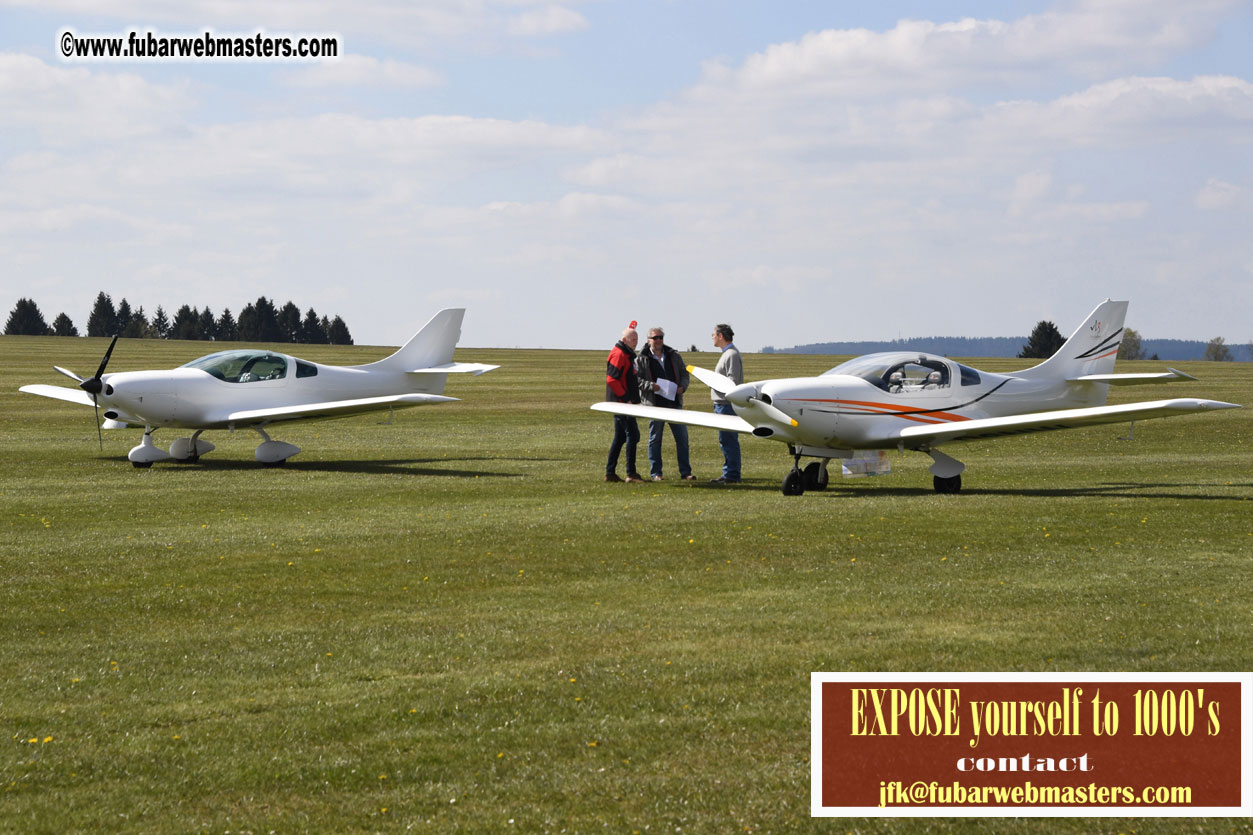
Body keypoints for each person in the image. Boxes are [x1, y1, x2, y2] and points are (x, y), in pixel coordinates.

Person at [635, 327, 694, 481]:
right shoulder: (641, 359)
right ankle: (656, 473)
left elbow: (684, 373)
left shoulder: (673, 355)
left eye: (661, 337)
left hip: (674, 403)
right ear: (648, 340)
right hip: (655, 405)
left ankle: (686, 472)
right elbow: (636, 380)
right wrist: (650, 386)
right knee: (655, 439)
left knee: (682, 439)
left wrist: (683, 386)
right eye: (655, 338)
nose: (659, 340)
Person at [604, 325, 644, 483]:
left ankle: (610, 472)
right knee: (633, 436)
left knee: (620, 438)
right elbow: (611, 379)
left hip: (623, 403)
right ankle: (631, 473)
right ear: (624, 340)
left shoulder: (626, 354)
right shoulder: (620, 354)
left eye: (637, 339)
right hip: (622, 404)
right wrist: (626, 398)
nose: (636, 342)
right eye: (633, 339)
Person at [710, 323, 743, 483]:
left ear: (721, 336)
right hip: (722, 404)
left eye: (714, 334)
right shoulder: (728, 353)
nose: (712, 337)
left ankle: (732, 475)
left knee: (728, 439)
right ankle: (728, 473)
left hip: (726, 405)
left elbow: (732, 381)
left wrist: (714, 382)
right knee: (725, 439)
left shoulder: (731, 355)